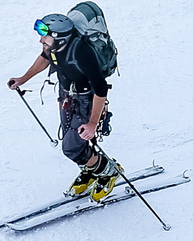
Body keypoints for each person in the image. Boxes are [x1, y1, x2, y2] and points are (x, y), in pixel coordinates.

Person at [8, 11, 115, 197]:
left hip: (86, 100)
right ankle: (90, 170)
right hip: (66, 97)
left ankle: (107, 171)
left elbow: (101, 89)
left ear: (60, 38)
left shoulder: (82, 52)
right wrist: (23, 79)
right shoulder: (55, 47)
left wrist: (92, 123)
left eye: (45, 37)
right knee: (73, 139)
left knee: (70, 147)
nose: (41, 41)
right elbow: (44, 58)